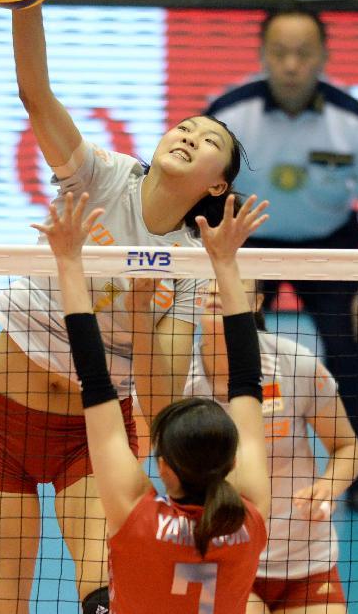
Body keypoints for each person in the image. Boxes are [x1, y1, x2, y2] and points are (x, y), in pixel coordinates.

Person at [0, 0, 248, 613]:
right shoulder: (102, 173)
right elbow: (35, 95)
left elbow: (154, 400)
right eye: (183, 123)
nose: (187, 133)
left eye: (207, 138)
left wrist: (149, 313)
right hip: (1, 414)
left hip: (96, 435)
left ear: (217, 182)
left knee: (106, 601)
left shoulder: (189, 262)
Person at [205, 4, 358, 517]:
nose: (292, 64)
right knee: (232, 354)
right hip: (249, 241)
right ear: (262, 54)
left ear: (324, 56)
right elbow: (198, 194)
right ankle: (220, 471)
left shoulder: (354, 121)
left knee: (345, 351)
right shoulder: (227, 113)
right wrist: (221, 267)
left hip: (329, 245)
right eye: (280, 52)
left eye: (303, 53)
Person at [39, 190, 270, 613]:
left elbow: (92, 378)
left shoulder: (137, 517)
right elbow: (249, 381)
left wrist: (69, 260)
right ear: (234, 462)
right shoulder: (249, 517)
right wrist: (225, 263)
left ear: (163, 466)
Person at [187, 280, 358, 613]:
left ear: (256, 302)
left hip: (305, 559)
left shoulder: (294, 363)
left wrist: (328, 486)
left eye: (228, 282)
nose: (215, 289)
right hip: (218, 559)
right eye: (205, 283)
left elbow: (347, 447)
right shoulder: (176, 373)